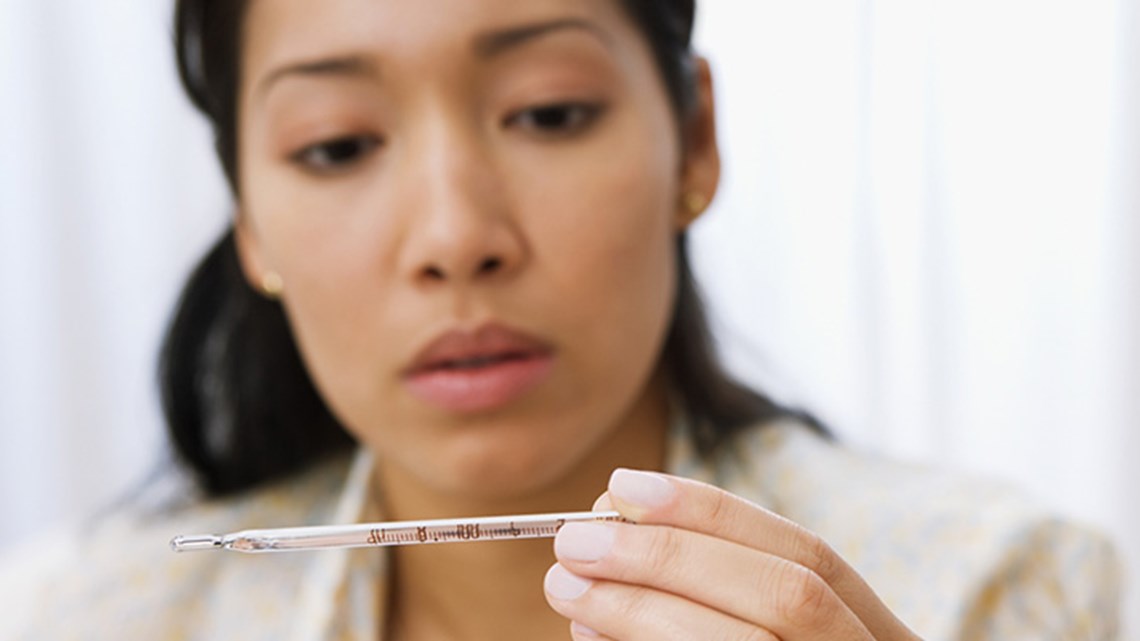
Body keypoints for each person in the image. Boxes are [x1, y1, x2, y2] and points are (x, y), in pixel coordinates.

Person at [0, 0, 1121, 639]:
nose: (454, 233)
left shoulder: (1013, 591)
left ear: (693, 141)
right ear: (250, 217)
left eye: (548, 111)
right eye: (337, 144)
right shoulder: (76, 616)